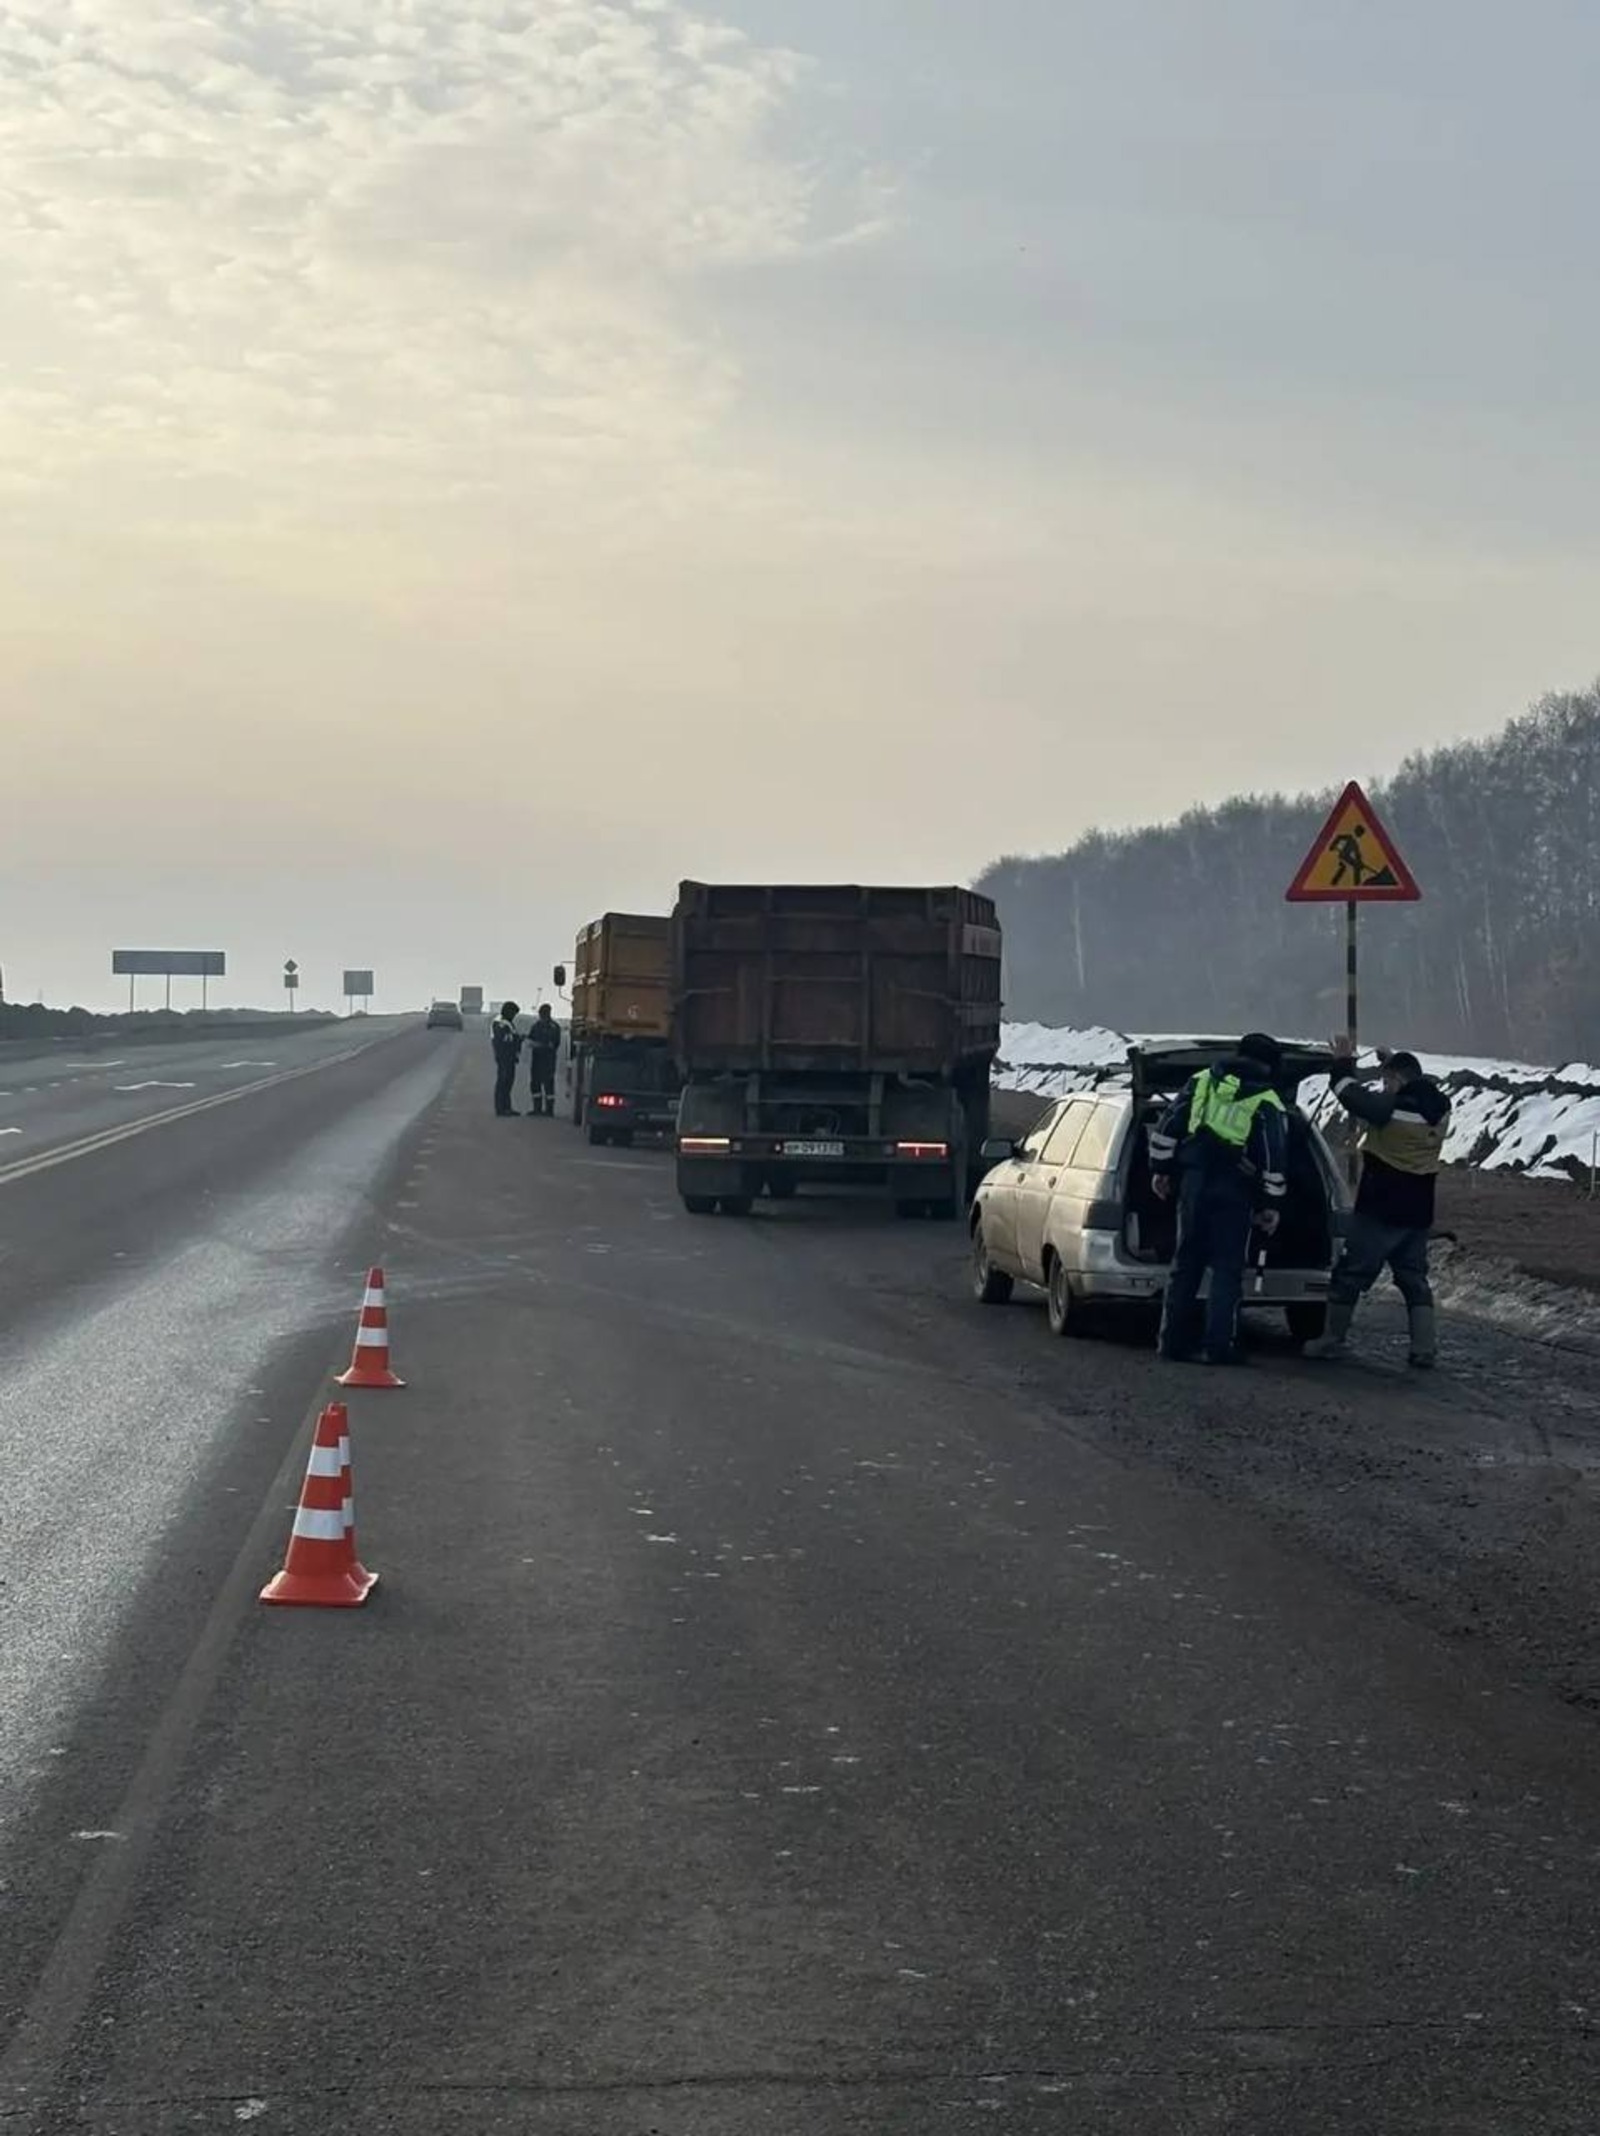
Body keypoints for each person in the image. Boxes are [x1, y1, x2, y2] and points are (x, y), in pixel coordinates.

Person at [1304, 1037, 1450, 1367]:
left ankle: (1332, 1339)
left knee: (1350, 1274)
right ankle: (1424, 1349)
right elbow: (1411, 1086)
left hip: (1381, 1208)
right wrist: (1391, 1063)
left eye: (1387, 1081)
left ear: (1398, 1081)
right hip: (1418, 1212)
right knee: (1414, 1279)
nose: (1385, 1087)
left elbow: (1348, 1093)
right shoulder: (1441, 1108)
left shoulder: (1392, 1108)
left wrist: (1342, 1062)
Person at [1148, 1033, 1289, 1366]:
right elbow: (1274, 1156)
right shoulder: (1267, 1099)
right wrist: (1272, 1205)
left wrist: (1161, 1171)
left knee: (1185, 1265)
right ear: (1269, 1064)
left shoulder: (1201, 1082)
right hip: (1235, 1190)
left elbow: (1168, 1126)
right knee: (1227, 1270)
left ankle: (1171, 1343)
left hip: (1193, 1184)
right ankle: (1218, 1347)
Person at [524, 1002, 562, 1118]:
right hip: (541, 1059)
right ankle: (539, 1109)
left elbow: (553, 1045)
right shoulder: (541, 1026)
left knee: (547, 1084)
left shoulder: (550, 1027)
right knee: (537, 1084)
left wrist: (537, 1045)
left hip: (546, 1060)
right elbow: (530, 1041)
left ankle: (547, 1110)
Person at [491, 1001, 522, 1118]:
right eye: (513, 1013)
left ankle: (506, 1107)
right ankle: (501, 1108)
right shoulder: (500, 1023)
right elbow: (505, 1040)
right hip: (504, 1057)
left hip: (509, 1057)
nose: (514, 1016)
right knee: (503, 1082)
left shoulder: (507, 1023)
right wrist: (518, 1039)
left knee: (508, 1082)